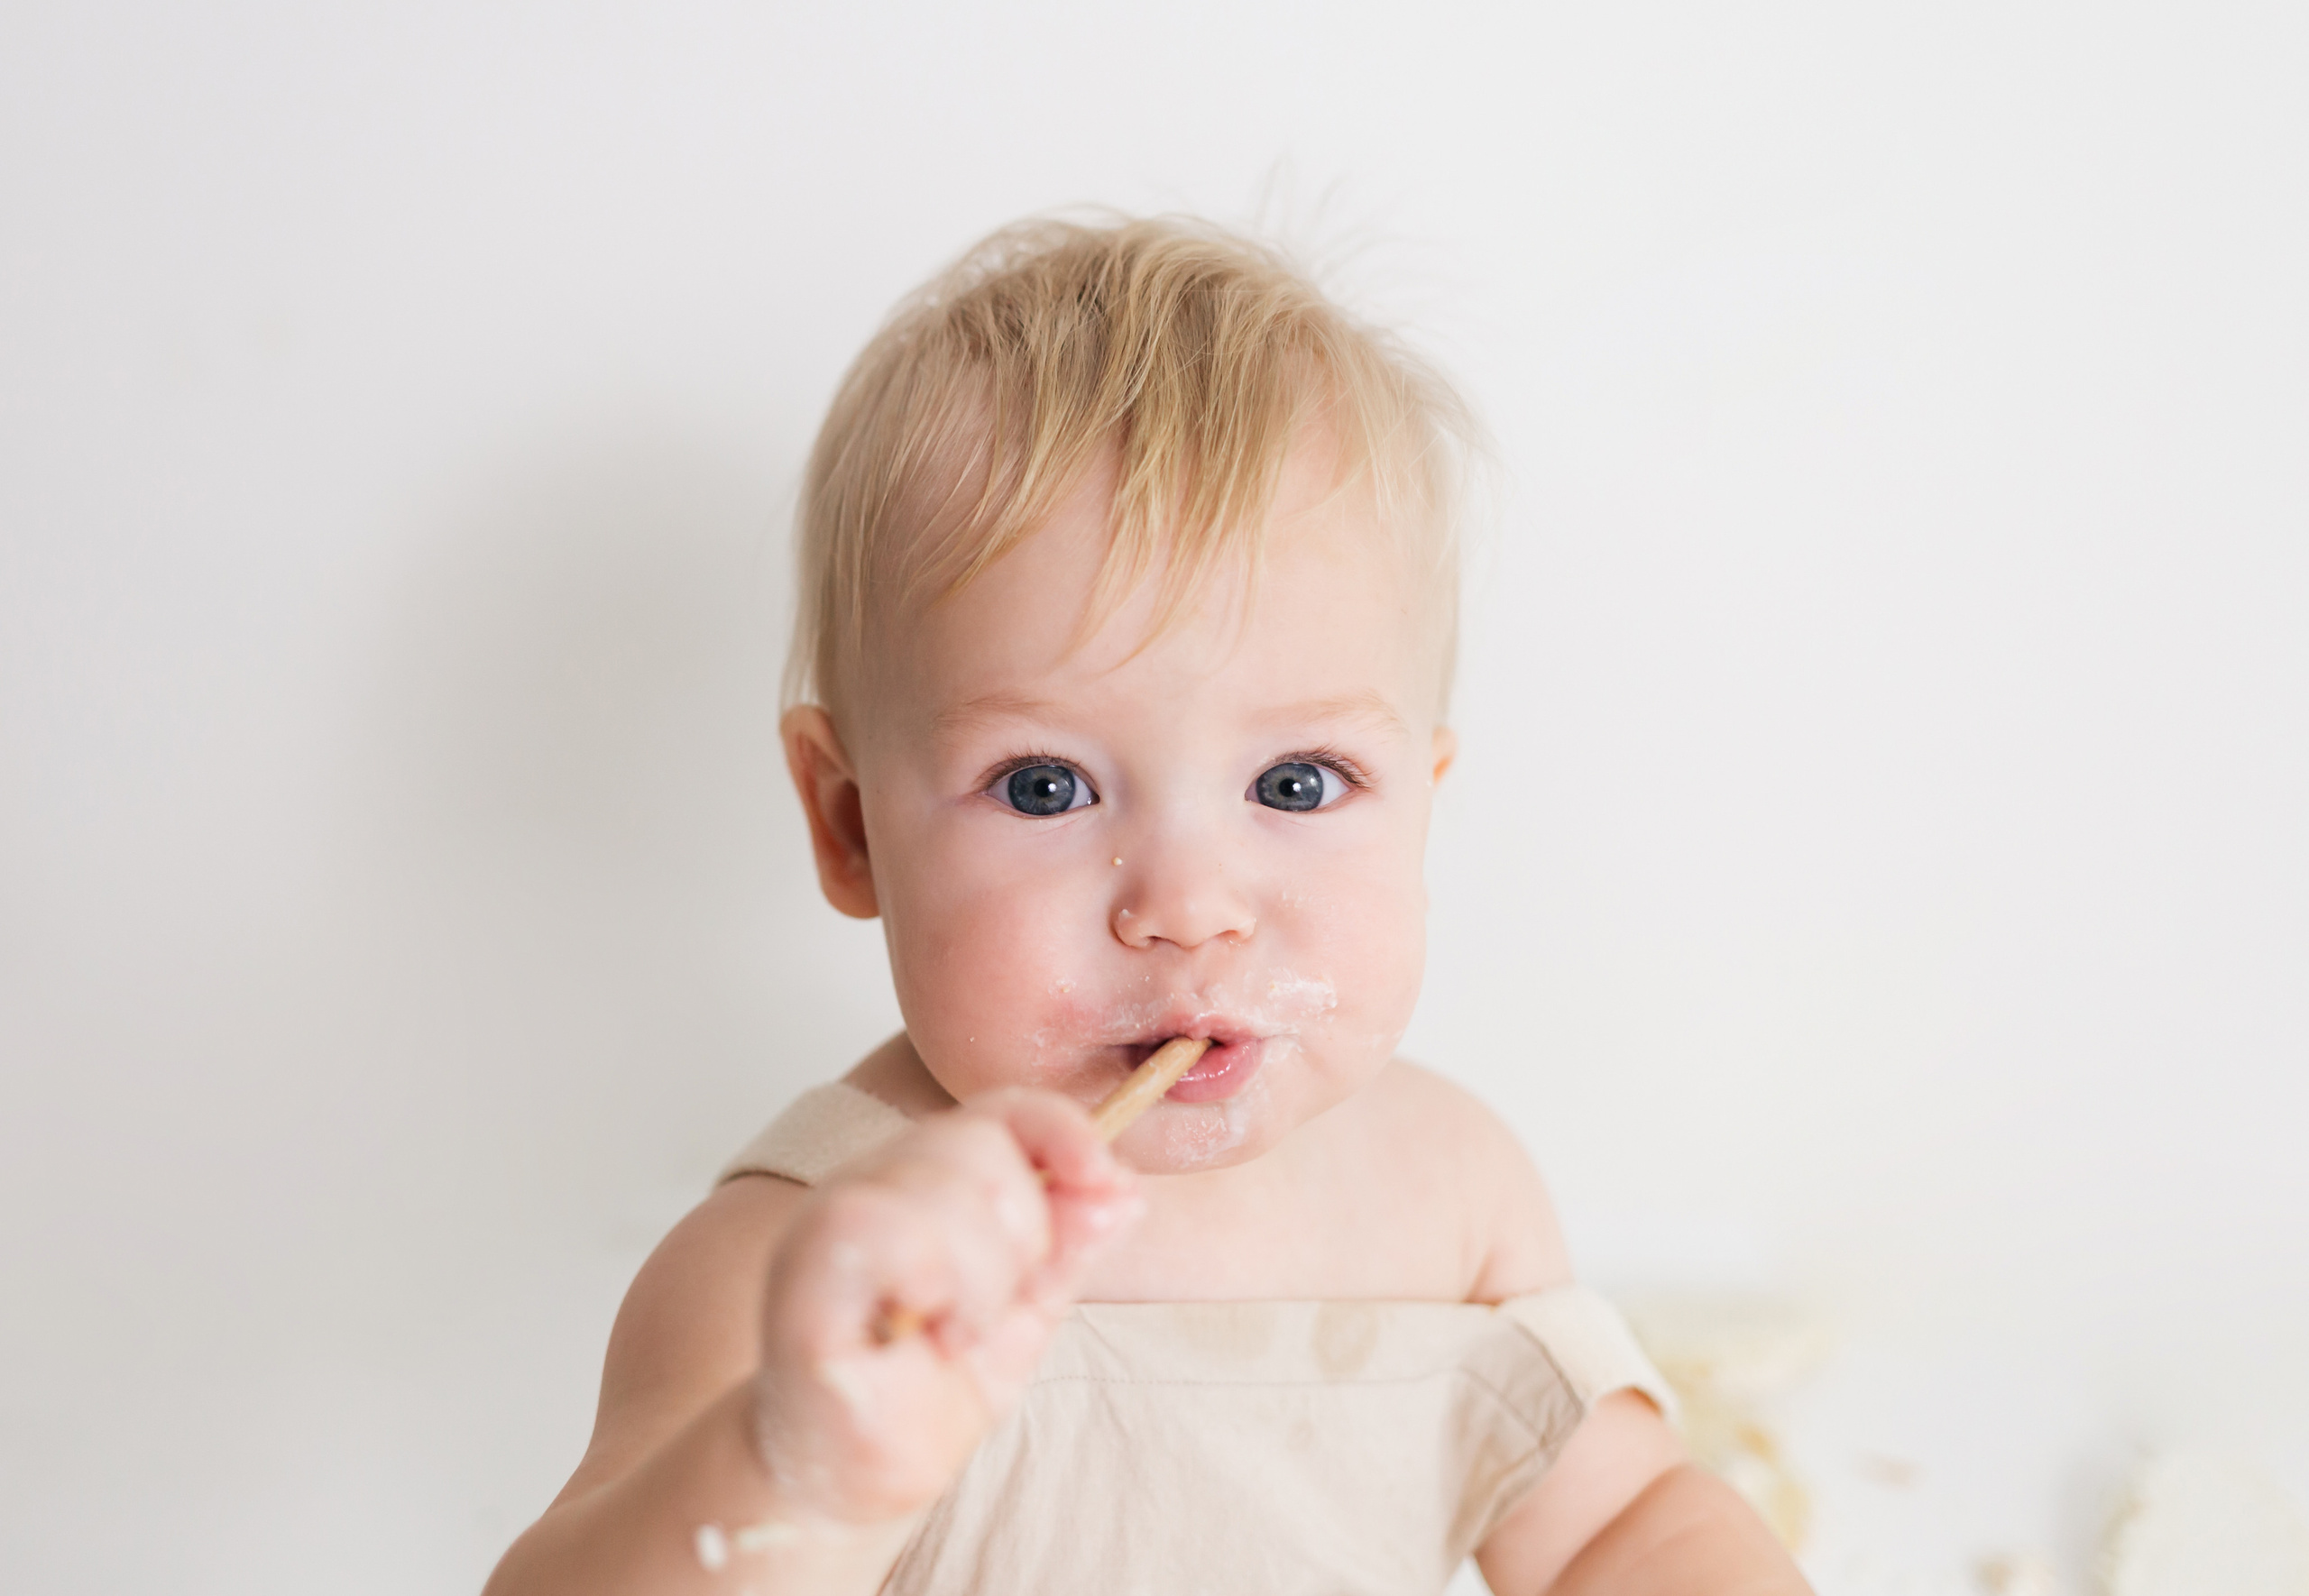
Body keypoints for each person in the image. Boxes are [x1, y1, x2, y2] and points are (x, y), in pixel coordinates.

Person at [484, 215, 1810, 1595]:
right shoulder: (813, 1262)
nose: (1189, 909)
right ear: (849, 822)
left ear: (1426, 799)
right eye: (1046, 787)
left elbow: (1622, 1527)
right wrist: (796, 1466)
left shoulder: (1450, 1195)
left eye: (1297, 782)